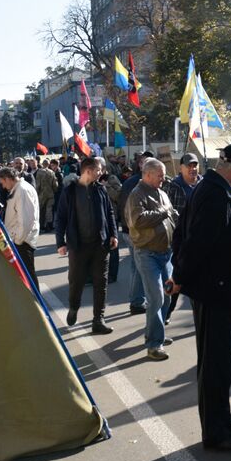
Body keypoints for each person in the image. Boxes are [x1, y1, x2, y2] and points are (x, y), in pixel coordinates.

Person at [172, 143, 231, 451]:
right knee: (215, 363)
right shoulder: (214, 194)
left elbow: (182, 233)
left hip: (217, 289)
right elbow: (196, 242)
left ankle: (222, 418)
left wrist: (182, 274)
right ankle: (215, 431)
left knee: (221, 360)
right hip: (215, 290)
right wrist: (180, 276)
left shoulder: (209, 188)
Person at [54, 156, 118, 334]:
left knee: (101, 282)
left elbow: (109, 212)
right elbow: (61, 218)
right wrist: (60, 243)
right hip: (78, 246)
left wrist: (113, 234)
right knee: (76, 281)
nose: (101, 172)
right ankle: (74, 307)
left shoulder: (100, 189)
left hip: (100, 245)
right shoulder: (70, 191)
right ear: (88, 171)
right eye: (98, 170)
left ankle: (98, 320)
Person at [127, 157, 177, 360]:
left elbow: (171, 215)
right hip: (147, 252)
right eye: (160, 176)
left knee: (167, 294)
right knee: (156, 297)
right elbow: (138, 220)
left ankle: (158, 333)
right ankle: (154, 344)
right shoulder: (136, 194)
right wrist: (165, 211)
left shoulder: (162, 192)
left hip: (166, 252)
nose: (163, 179)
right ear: (147, 174)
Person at [0, 166, 40, 272]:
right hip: (21, 239)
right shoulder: (19, 189)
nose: (3, 186)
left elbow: (25, 220)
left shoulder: (22, 190)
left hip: (23, 241)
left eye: (2, 183)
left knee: (27, 275)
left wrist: (18, 240)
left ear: (7, 178)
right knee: (24, 274)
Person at [119, 152, 148, 304]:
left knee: (135, 266)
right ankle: (137, 300)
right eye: (145, 162)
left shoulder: (133, 182)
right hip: (134, 231)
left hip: (129, 230)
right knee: (138, 266)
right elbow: (127, 209)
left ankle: (135, 298)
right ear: (140, 164)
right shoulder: (135, 183)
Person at [165, 153, 201, 219]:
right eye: (189, 166)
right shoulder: (172, 187)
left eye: (195, 166)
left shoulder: (205, 185)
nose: (193, 169)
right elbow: (167, 211)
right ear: (180, 168)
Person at [34, 159, 59, 232]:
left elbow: (38, 184)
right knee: (49, 209)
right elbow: (55, 184)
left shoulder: (39, 172)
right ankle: (48, 225)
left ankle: (41, 225)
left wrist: (36, 192)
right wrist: (54, 190)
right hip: (50, 194)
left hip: (41, 194)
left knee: (41, 210)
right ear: (48, 164)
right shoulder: (51, 172)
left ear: (42, 164)